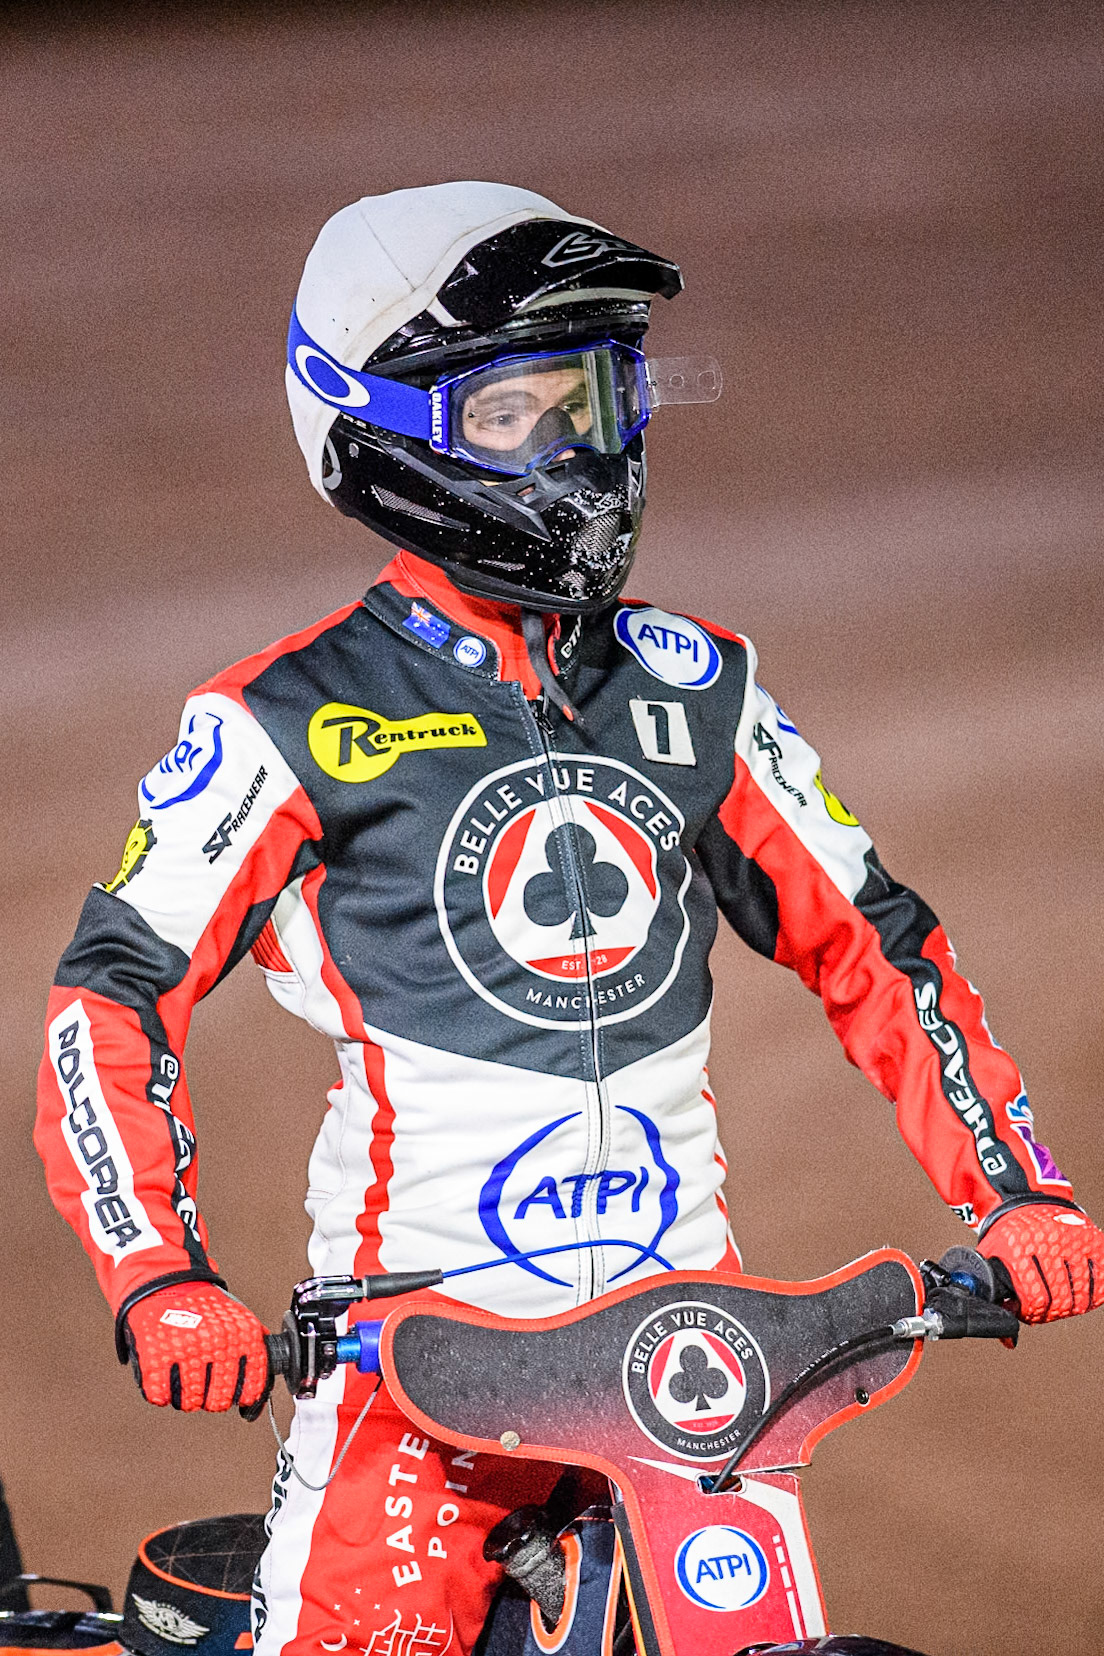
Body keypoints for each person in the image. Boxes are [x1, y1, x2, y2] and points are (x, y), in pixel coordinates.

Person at [35, 182, 1103, 1656]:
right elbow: (111, 997)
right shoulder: (280, 719)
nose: (577, 452)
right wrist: (162, 1278)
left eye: (597, 397)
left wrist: (1021, 1189)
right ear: (379, 428)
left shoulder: (696, 683)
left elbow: (877, 942)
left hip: (692, 1373)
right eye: (512, 415)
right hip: (414, 1374)